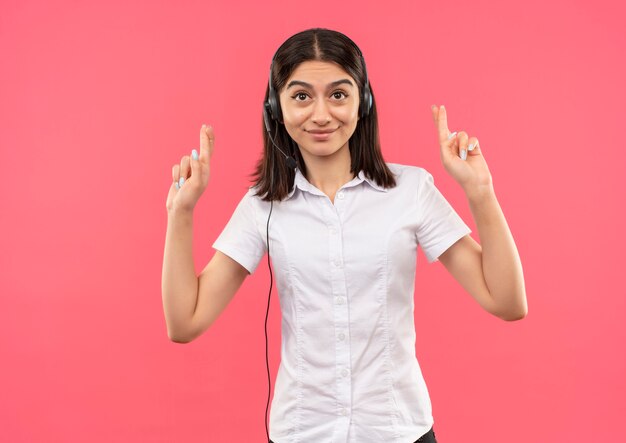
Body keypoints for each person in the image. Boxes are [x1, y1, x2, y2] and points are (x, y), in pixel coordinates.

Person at [162, 28, 527, 443]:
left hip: (398, 431)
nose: (321, 115)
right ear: (274, 108)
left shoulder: (412, 191)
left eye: (338, 94)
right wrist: (181, 213)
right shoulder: (263, 205)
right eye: (301, 96)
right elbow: (184, 322)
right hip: (302, 432)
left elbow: (507, 301)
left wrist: (480, 193)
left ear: (363, 102)